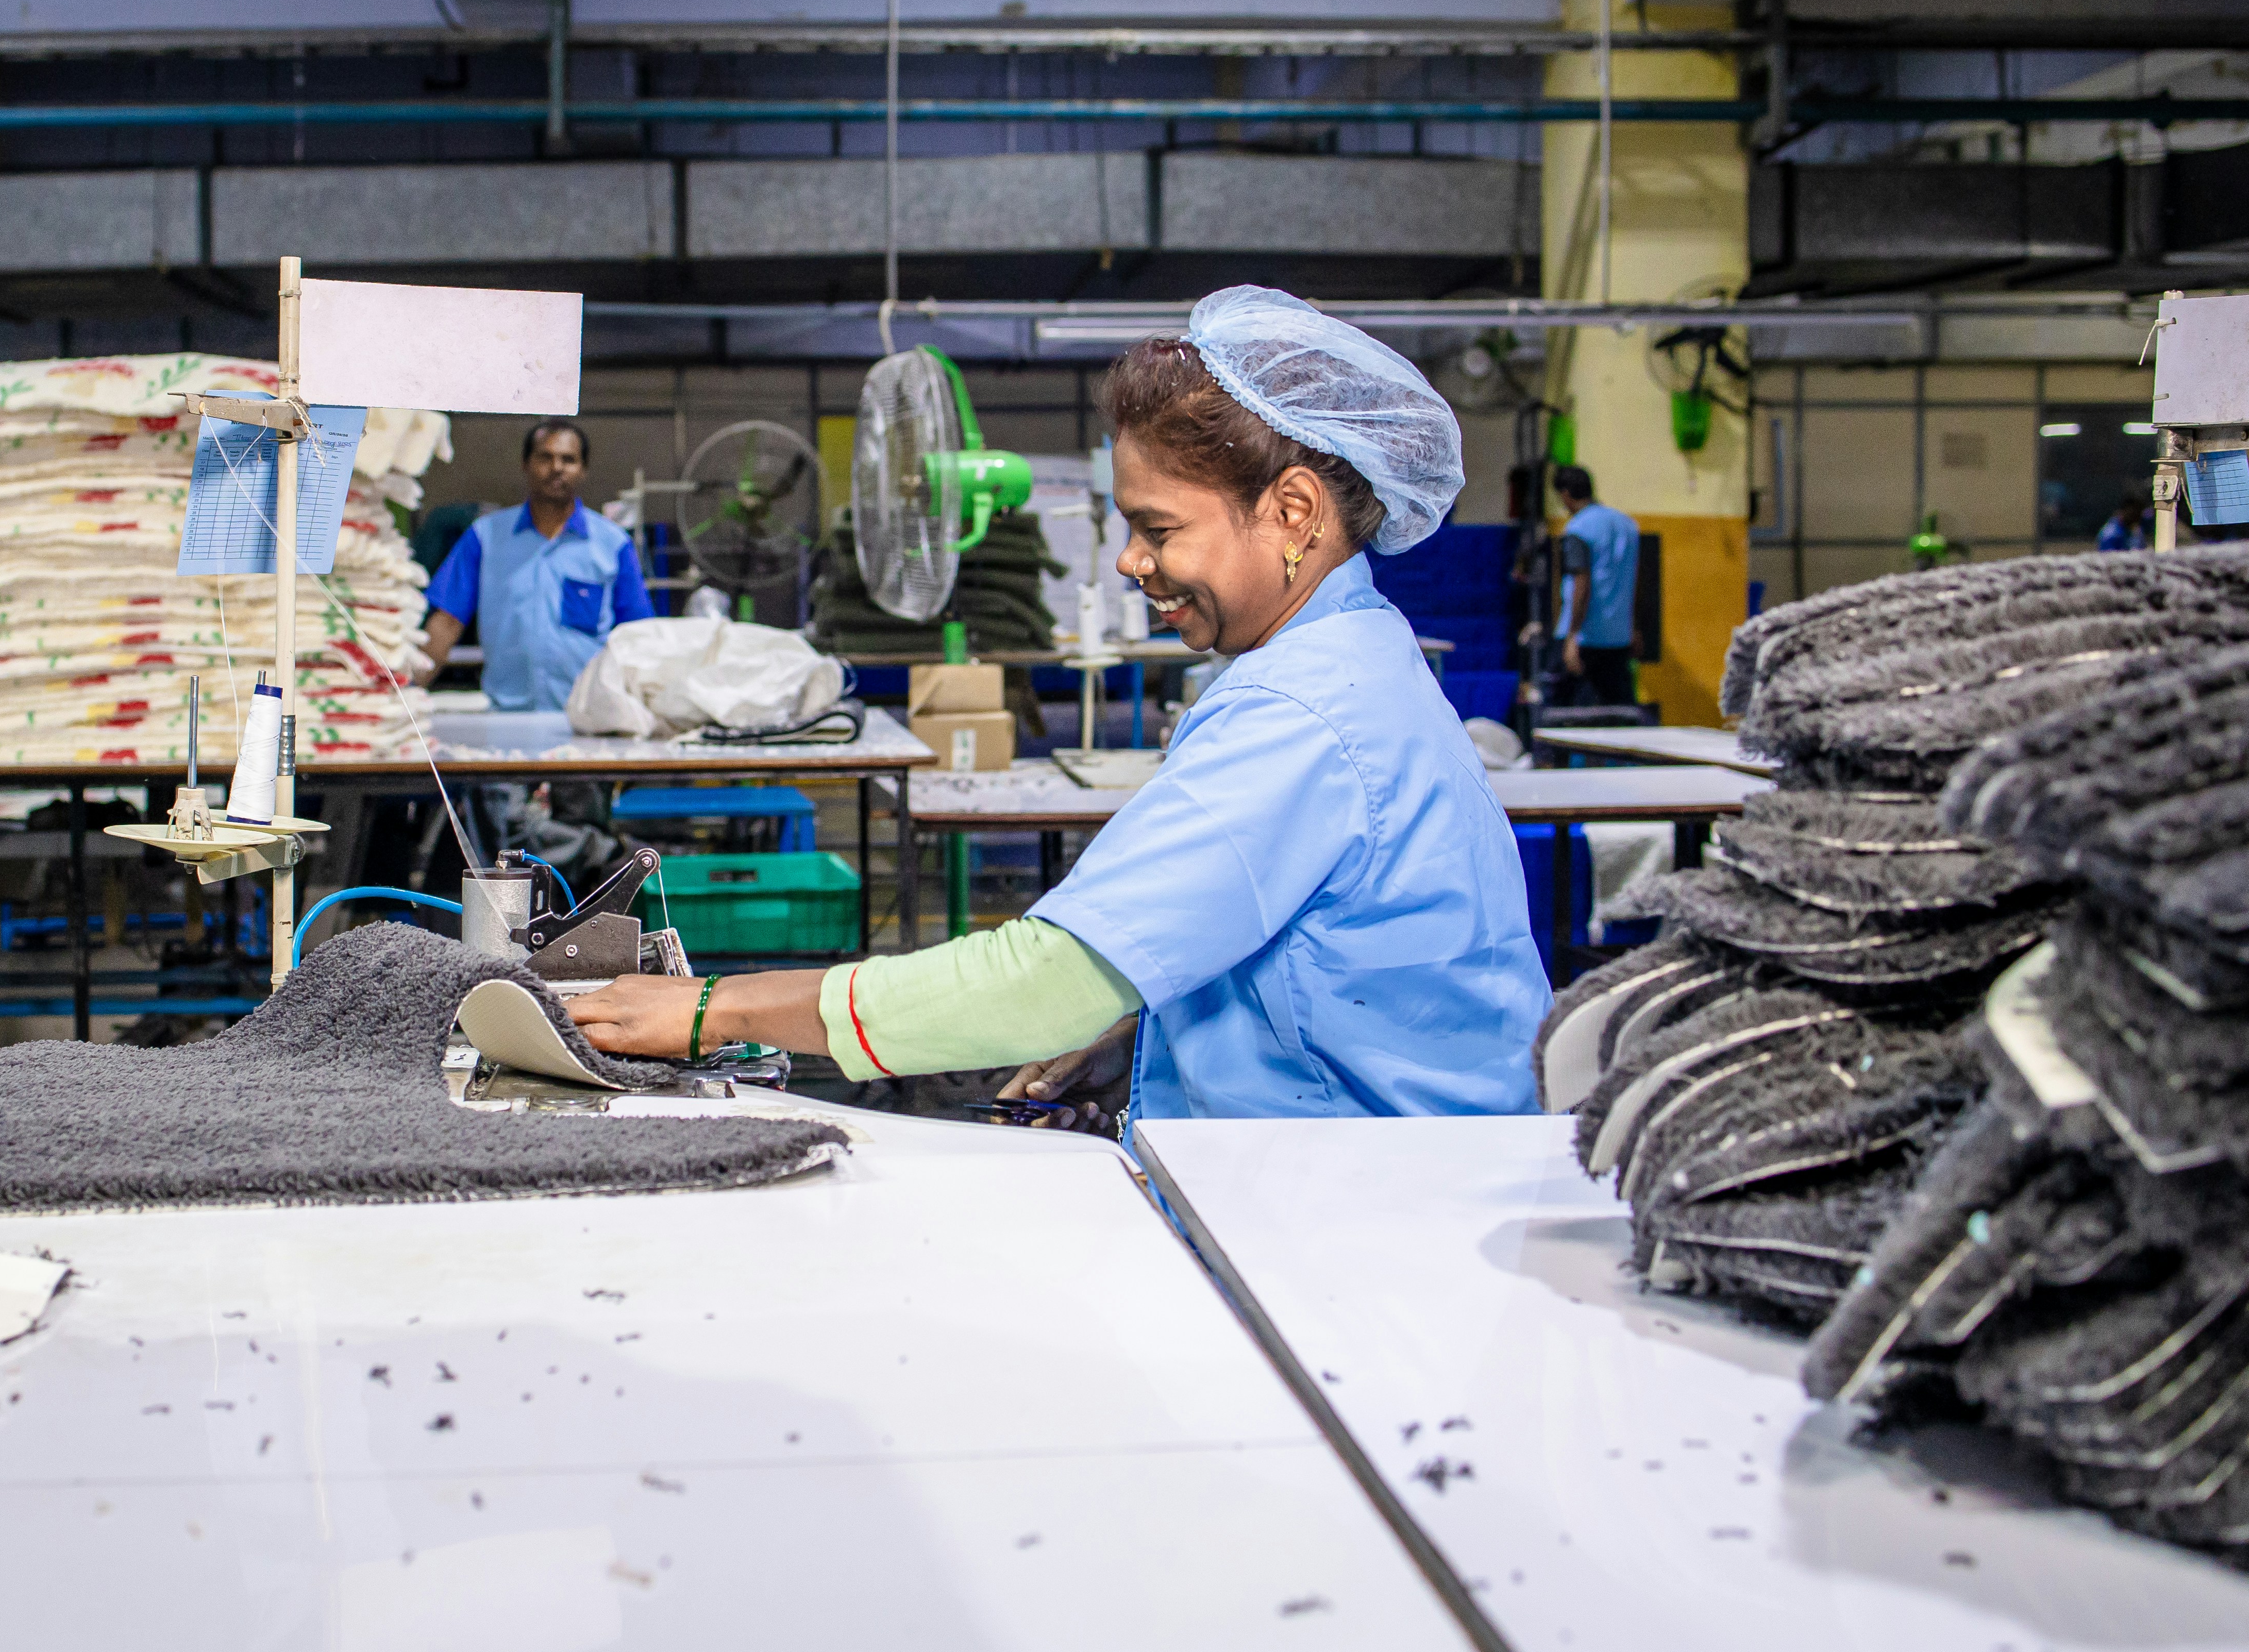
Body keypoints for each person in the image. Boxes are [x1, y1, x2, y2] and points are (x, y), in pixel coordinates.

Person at [567, 286, 1548, 1127]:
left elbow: (1042, 980)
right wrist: (1144, 1044)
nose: (1129, 561)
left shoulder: (1303, 713)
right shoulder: (1350, 656)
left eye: (1157, 528)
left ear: (1291, 513)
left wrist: (714, 1008)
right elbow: (1316, 960)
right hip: (1372, 1159)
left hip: (1367, 1205)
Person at [417, 420, 656, 713]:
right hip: (506, 720)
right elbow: (445, 624)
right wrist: (402, 691)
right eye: (545, 457)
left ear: (583, 470)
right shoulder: (486, 537)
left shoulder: (613, 544)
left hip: (590, 720)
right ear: (526, 465)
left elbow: (638, 637)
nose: (557, 467)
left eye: (568, 460)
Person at [1550, 464, 1639, 709]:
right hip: (1618, 636)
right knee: (1620, 712)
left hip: (1585, 635)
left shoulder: (1578, 529)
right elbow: (1635, 579)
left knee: (1556, 709)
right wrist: (1636, 626)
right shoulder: (1627, 526)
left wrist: (1572, 636)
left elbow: (1582, 584)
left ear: (1566, 495)